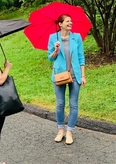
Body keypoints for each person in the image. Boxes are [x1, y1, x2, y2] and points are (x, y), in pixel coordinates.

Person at [47, 14, 86, 145]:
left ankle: (69, 132)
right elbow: (50, 58)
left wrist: (83, 75)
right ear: (60, 24)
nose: (70, 23)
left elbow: (81, 57)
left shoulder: (77, 37)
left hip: (74, 75)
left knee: (73, 104)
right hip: (59, 75)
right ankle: (60, 130)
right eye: (67, 21)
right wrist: (56, 50)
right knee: (60, 104)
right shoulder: (53, 38)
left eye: (71, 21)